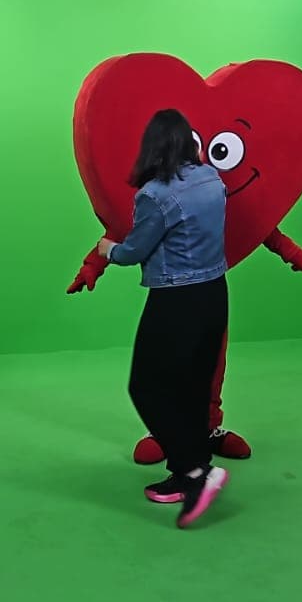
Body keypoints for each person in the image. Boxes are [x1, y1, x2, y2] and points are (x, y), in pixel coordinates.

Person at [99, 108, 231, 529]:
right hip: (215, 295)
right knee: (191, 387)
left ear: (153, 146)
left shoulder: (155, 195)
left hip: (176, 301)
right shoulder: (213, 180)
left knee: (147, 387)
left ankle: (196, 472)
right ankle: (187, 469)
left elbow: (134, 250)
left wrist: (108, 250)